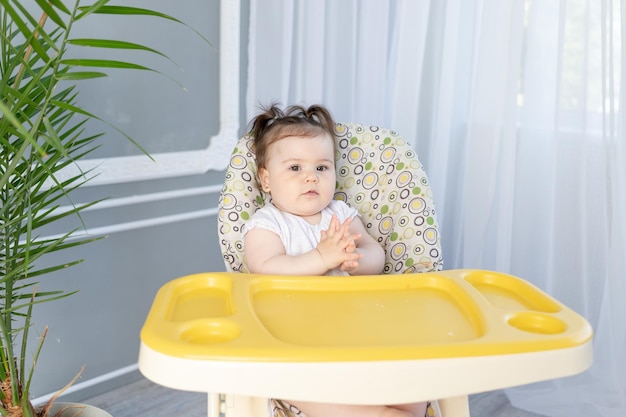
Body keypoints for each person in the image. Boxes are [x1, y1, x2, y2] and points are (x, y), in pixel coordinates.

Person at [242, 103, 428, 417]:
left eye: (322, 168)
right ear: (266, 179)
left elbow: (376, 254)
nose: (311, 178)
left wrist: (355, 260)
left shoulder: (340, 215)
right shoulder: (266, 225)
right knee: (317, 391)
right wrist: (321, 257)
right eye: (295, 168)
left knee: (414, 397)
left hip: (353, 332)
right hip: (294, 345)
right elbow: (266, 268)